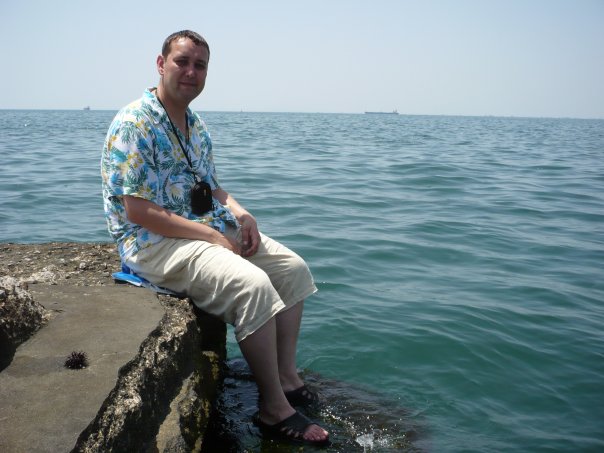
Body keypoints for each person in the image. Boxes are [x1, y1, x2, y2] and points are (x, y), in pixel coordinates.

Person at [100, 30, 329, 446]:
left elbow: (211, 188)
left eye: (200, 65)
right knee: (252, 285)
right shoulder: (134, 123)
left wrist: (241, 214)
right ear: (161, 64)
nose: (191, 72)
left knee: (292, 270)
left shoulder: (196, 126)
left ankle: (286, 376)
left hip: (198, 227)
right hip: (151, 242)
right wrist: (210, 235)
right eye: (182, 61)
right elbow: (137, 211)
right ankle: (274, 409)